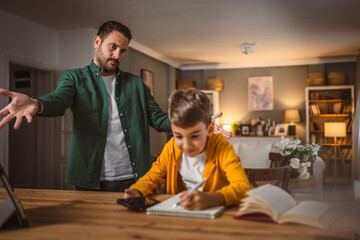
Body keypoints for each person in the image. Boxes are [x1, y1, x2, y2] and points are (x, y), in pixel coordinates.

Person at [0, 21, 230, 192]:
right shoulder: (75, 78)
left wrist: (196, 126)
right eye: (113, 47)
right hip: (91, 180)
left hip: (136, 177)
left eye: (122, 50)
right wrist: (36, 103)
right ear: (97, 41)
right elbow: (58, 102)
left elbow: (159, 119)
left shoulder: (136, 84)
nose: (117, 55)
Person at [124, 89, 251, 210]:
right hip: (181, 213)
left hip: (217, 215)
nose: (186, 145)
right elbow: (153, 176)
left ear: (210, 129)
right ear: (173, 130)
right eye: (179, 136)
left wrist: (211, 199)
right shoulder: (171, 147)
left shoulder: (221, 147)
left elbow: (243, 187)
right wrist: (137, 190)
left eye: (195, 136)